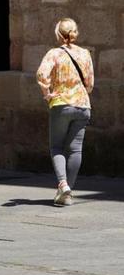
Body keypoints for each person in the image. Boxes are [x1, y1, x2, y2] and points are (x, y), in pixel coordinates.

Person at [37, 18, 94, 207]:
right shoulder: (85, 54)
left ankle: (63, 184)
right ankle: (67, 192)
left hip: (61, 104)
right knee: (75, 149)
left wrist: (47, 94)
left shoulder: (54, 54)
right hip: (83, 105)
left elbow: (41, 75)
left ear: (58, 34)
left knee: (57, 147)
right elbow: (90, 85)